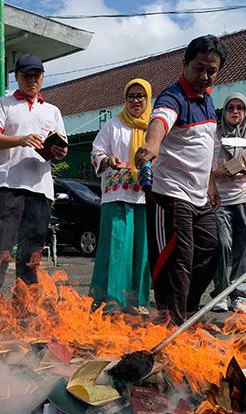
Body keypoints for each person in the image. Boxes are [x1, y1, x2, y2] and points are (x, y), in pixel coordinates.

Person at [134, 35, 226, 325]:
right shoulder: (172, 96)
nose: (205, 76)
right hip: (170, 194)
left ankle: (185, 311)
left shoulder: (208, 100)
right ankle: (170, 321)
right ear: (184, 63)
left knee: (211, 251)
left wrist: (210, 183)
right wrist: (153, 144)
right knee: (178, 259)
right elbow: (159, 121)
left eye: (212, 70)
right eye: (199, 68)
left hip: (199, 197)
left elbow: (204, 149)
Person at [0, 54, 68, 292]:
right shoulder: (3, 104)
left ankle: (24, 306)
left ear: (43, 77)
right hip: (8, 186)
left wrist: (59, 151)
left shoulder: (53, 111)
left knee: (32, 253)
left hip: (41, 189)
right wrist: (20, 140)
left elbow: (62, 148)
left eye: (36, 75)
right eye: (26, 75)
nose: (32, 80)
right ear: (16, 77)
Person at [89, 78, 152, 314]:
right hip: (117, 195)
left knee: (142, 251)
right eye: (131, 96)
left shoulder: (153, 127)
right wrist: (107, 160)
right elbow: (96, 151)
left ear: (148, 98)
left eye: (140, 96)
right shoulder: (113, 126)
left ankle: (139, 302)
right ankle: (111, 303)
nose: (136, 100)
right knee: (116, 249)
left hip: (145, 197)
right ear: (125, 100)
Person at [210, 93, 246, 314]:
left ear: (245, 112)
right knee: (222, 245)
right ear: (223, 111)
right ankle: (221, 293)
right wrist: (218, 172)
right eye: (231, 108)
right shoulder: (214, 136)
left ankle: (239, 294)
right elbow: (205, 168)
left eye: (240, 108)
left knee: (244, 248)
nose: (235, 112)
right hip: (220, 198)